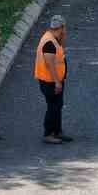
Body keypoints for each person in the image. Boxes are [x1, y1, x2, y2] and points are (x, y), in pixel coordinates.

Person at [34, 15, 70, 144]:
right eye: (64, 28)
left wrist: (62, 37)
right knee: (53, 106)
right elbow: (49, 64)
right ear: (61, 27)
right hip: (49, 81)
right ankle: (48, 134)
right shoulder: (49, 42)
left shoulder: (54, 39)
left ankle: (57, 131)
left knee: (58, 105)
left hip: (54, 80)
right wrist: (57, 82)